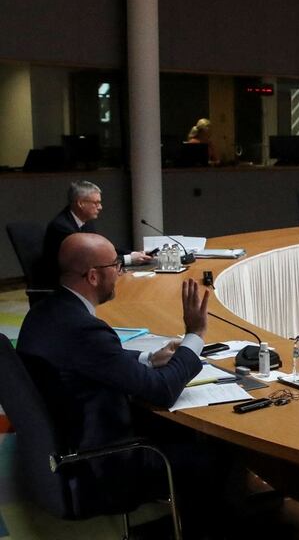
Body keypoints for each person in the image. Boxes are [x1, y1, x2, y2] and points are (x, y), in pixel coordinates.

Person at [17, 232, 211, 527]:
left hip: (67, 445)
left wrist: (149, 358)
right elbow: (162, 390)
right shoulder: (85, 331)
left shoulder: (45, 312)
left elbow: (92, 363)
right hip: (101, 466)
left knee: (180, 432)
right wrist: (194, 337)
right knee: (215, 452)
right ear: (93, 277)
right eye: (116, 265)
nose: (120, 272)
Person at [40, 181, 152, 290]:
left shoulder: (85, 222)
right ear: (81, 203)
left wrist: (132, 253)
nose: (100, 207)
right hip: (66, 285)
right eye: (96, 203)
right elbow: (90, 261)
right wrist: (129, 259)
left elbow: (101, 251)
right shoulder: (62, 227)